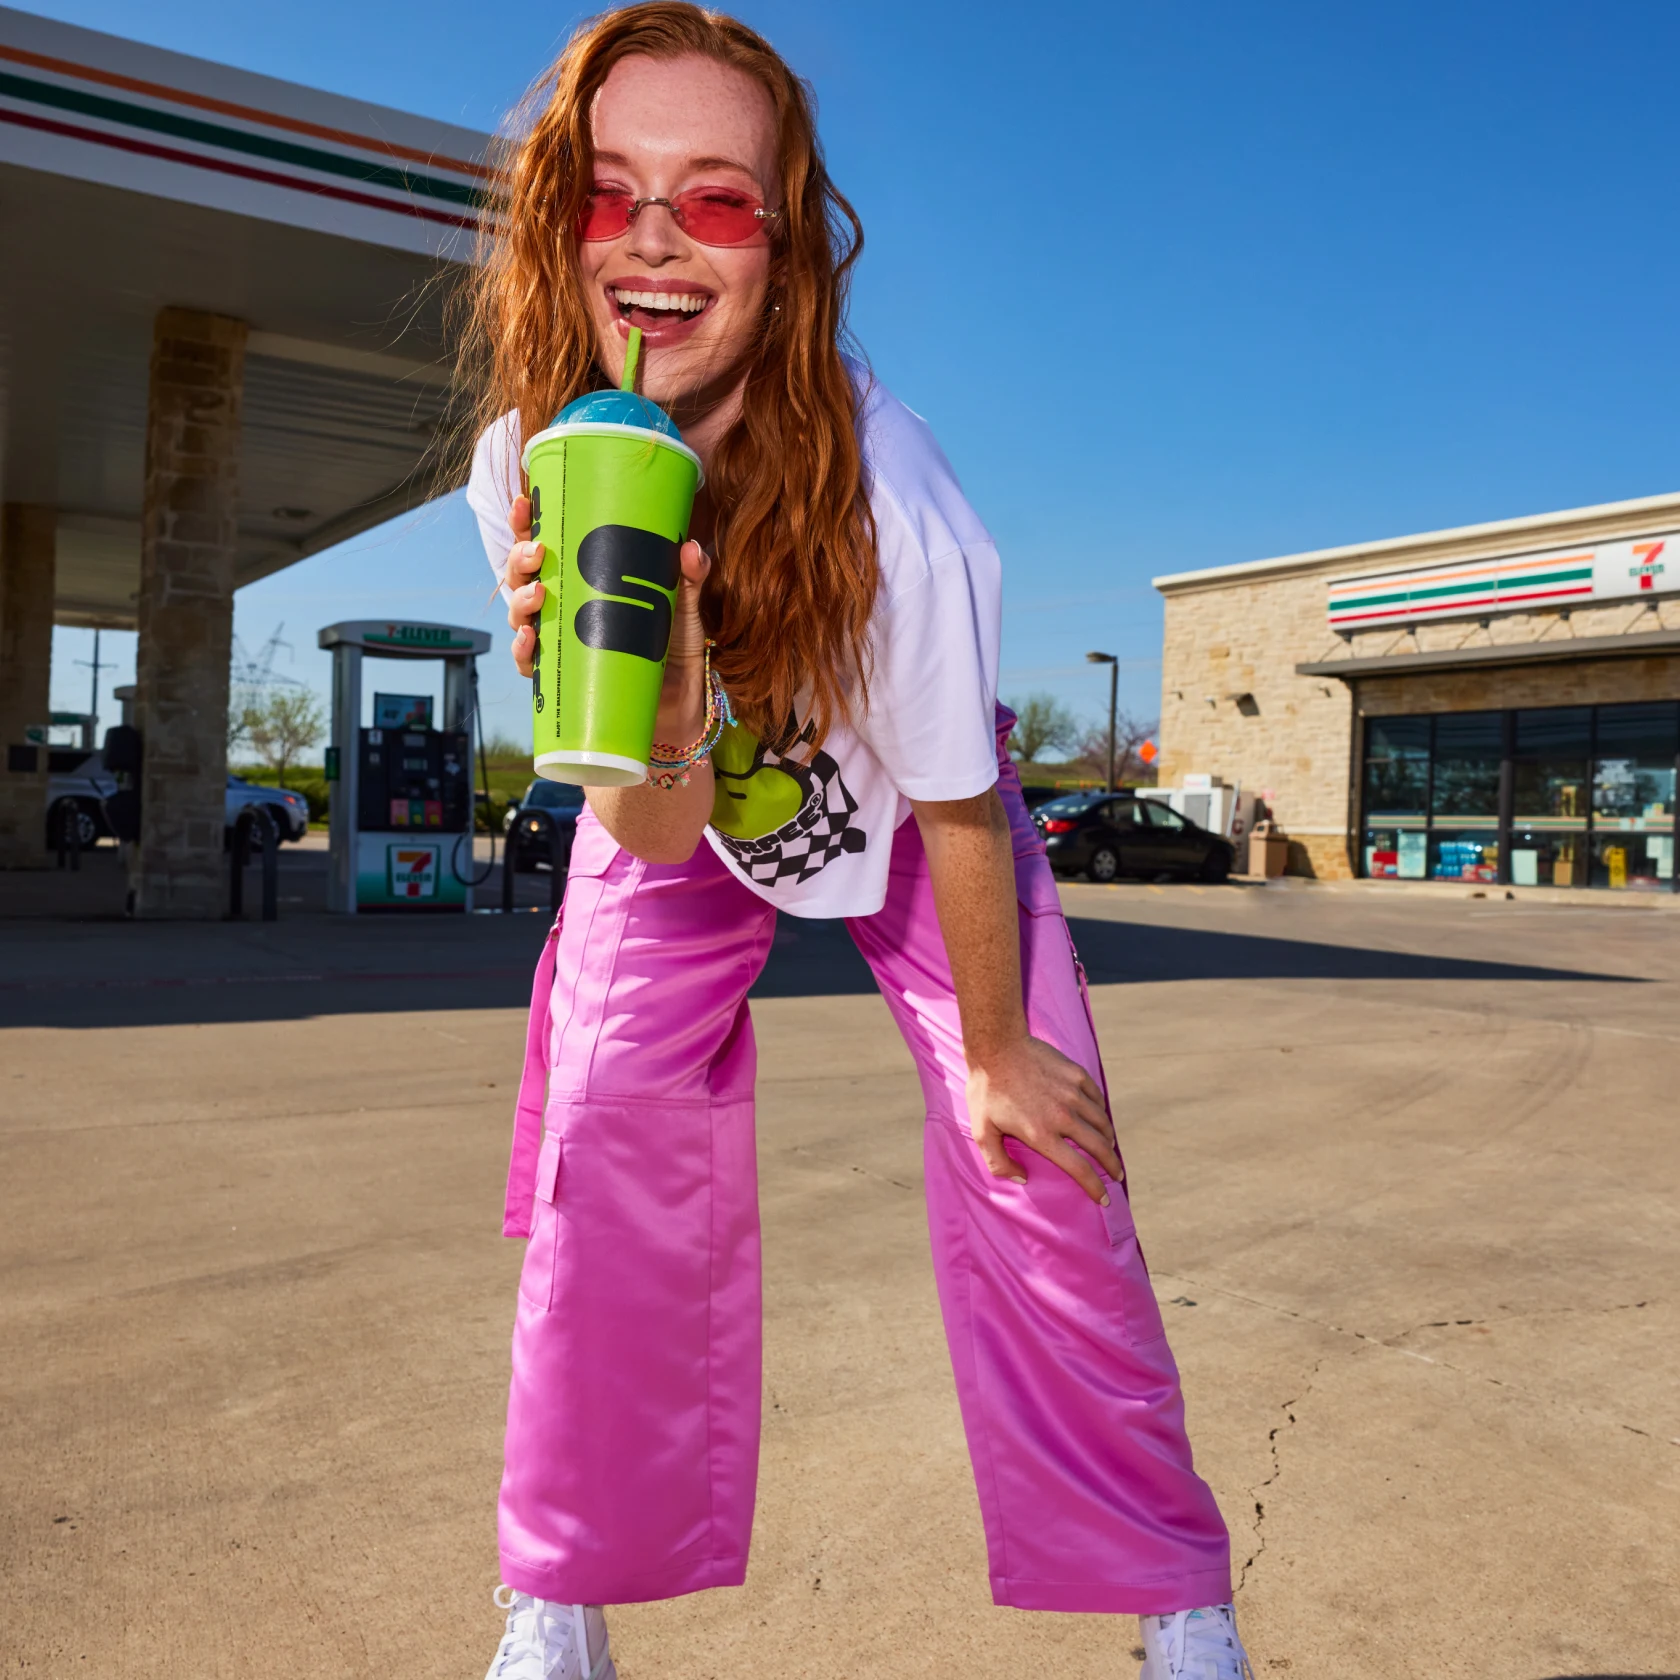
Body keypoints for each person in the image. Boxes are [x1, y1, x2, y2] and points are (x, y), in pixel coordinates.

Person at [463, 7, 1251, 1677]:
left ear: (789, 247)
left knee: (1042, 1158)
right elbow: (652, 821)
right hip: (691, 807)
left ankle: (1175, 1593)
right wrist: (664, 696)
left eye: (720, 200)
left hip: (915, 827)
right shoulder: (529, 468)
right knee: (598, 1120)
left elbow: (962, 804)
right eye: (614, 193)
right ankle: (562, 1594)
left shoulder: (894, 501)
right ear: (560, 222)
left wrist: (989, 1054)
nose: (661, 242)